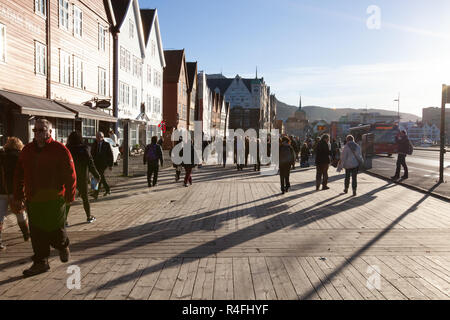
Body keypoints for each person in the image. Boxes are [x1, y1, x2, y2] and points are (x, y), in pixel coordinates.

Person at [13, 119, 76, 277]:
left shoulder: (60, 150)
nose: (38, 133)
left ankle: (62, 246)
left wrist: (70, 195)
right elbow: (19, 174)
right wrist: (18, 195)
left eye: (42, 130)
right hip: (33, 199)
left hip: (54, 198)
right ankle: (40, 262)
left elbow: (70, 174)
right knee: (37, 232)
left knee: (56, 230)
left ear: (49, 132)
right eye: (36, 130)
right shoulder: (27, 150)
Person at [0, 137, 30, 250]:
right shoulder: (20, 157)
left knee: (0, 217)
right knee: (20, 214)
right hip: (16, 191)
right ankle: (26, 235)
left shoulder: (1, 157)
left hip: (1, 191)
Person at [66, 131, 100, 223]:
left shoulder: (67, 149)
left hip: (70, 177)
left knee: (68, 198)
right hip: (82, 177)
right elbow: (91, 164)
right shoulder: (85, 149)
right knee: (85, 198)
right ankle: (89, 216)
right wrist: (96, 175)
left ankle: (64, 220)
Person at [91, 132, 113, 199]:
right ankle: (107, 189)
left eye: (99, 137)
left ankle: (96, 193)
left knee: (99, 176)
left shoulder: (106, 144)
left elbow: (110, 155)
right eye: (96, 137)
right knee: (98, 177)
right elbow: (92, 153)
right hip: (96, 163)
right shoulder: (94, 144)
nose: (97, 138)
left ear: (102, 137)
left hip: (103, 164)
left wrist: (110, 165)